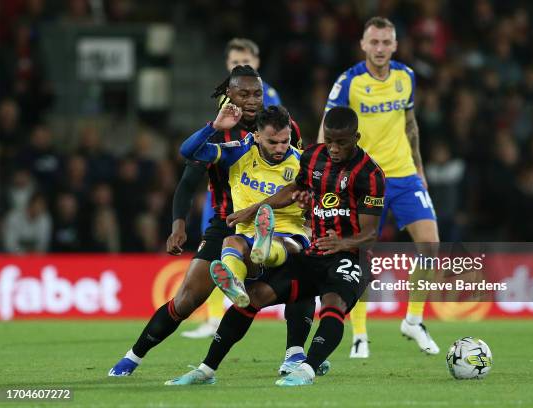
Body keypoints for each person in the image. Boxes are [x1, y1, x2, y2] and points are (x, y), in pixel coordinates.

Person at [108, 66, 315, 377]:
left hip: (274, 218)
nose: (251, 99)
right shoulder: (221, 132)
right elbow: (189, 179)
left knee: (302, 273)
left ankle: (294, 357)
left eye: (256, 93)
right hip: (226, 222)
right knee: (188, 298)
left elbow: (296, 174)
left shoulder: (281, 127)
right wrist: (178, 222)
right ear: (228, 94)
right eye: (243, 93)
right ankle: (133, 357)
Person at [165, 106, 384, 386]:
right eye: (329, 140)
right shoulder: (314, 156)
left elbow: (370, 233)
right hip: (315, 252)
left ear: (356, 137)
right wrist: (253, 210)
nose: (333, 148)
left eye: (341, 142)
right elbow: (293, 190)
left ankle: (306, 369)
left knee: (333, 304)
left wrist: (342, 241)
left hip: (350, 256)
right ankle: (205, 370)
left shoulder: (370, 174)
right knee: (254, 295)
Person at [319, 17, 440, 357]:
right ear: (363, 44)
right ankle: (359, 335)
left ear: (396, 45)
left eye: (386, 42)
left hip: (404, 176)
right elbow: (327, 129)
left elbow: (410, 124)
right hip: (364, 178)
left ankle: (413, 320)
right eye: (374, 42)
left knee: (431, 245)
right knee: (357, 255)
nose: (380, 49)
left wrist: (419, 167)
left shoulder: (407, 77)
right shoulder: (349, 82)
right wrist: (323, 173)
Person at [181, 37, 296, 339]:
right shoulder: (227, 104)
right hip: (222, 191)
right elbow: (199, 151)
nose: (236, 65)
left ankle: (253, 304)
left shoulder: (267, 101)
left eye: (242, 60)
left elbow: (285, 145)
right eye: (232, 62)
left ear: (256, 64)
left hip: (257, 189)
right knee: (222, 251)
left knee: (257, 245)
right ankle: (216, 315)